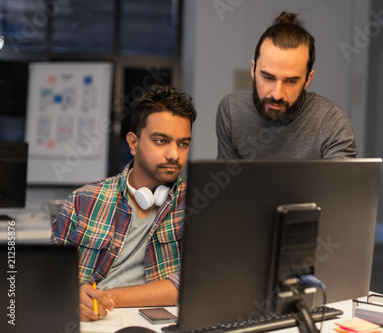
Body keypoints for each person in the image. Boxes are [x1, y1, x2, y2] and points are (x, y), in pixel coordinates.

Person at [51, 85, 197, 321]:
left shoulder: (198, 202)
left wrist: (108, 297)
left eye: (183, 143)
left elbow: (197, 282)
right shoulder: (82, 201)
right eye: (161, 141)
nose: (174, 154)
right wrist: (74, 296)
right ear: (133, 143)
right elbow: (50, 280)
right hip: (90, 323)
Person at [216, 11, 358, 159]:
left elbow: (341, 182)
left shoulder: (331, 122)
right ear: (253, 70)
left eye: (290, 81)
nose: (277, 94)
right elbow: (226, 179)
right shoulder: (232, 110)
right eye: (268, 77)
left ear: (307, 80)